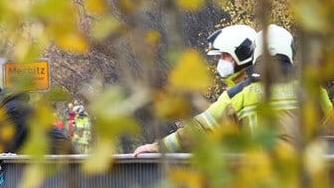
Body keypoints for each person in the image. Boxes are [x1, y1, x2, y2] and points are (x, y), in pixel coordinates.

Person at [134, 24, 333, 156]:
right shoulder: (312, 90)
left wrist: (156, 148)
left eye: (224, 56)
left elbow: (198, 129)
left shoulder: (239, 95)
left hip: (261, 186)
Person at [0, 90, 75, 155]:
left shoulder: (11, 110)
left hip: (59, 162)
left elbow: (7, 144)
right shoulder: (18, 106)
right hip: (59, 157)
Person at [206, 24, 257, 88]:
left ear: (242, 54)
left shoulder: (248, 90)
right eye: (220, 56)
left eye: (226, 55)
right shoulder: (237, 87)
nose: (221, 61)